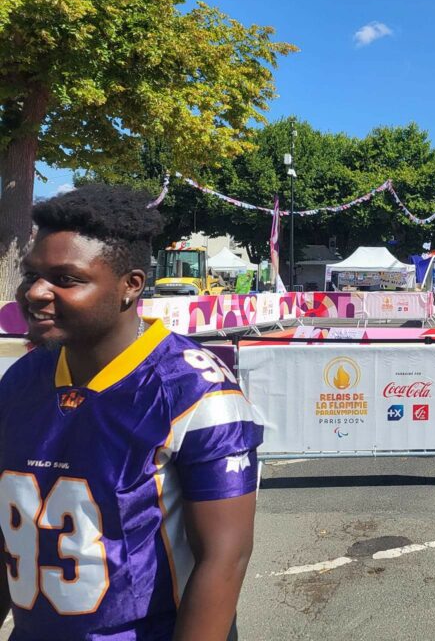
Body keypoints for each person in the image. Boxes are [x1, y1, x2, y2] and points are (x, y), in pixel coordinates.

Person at [0, 185, 262, 640]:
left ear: (130, 286)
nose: (36, 292)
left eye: (66, 279)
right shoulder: (21, 378)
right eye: (32, 274)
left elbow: (225, 558)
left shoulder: (195, 390)